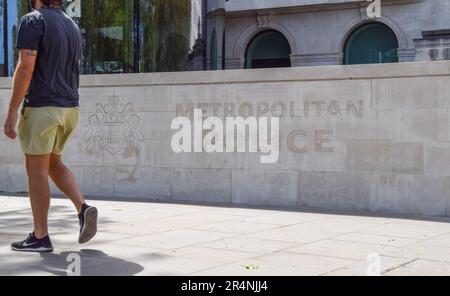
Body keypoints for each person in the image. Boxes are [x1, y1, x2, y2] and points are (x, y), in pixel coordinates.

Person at [3, 0, 97, 252]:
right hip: (70, 108)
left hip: (43, 108)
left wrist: (12, 112)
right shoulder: (71, 25)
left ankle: (40, 236)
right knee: (53, 163)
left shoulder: (33, 20)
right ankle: (83, 209)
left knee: (36, 168)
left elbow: (26, 67)